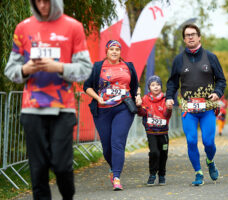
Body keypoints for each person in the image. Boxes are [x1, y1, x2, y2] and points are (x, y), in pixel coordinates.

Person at [4, 0, 92, 199]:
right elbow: (10, 70)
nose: (42, 5)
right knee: (38, 170)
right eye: (38, 1)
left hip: (63, 108)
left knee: (62, 166)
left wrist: (59, 68)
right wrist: (25, 70)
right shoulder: (23, 28)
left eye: (46, 0)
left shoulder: (73, 27)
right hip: (31, 109)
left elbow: (85, 69)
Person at [166, 24, 226, 186]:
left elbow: (221, 80)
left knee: (208, 142)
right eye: (187, 35)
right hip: (188, 109)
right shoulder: (179, 60)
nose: (190, 37)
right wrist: (169, 97)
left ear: (199, 37)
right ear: (184, 39)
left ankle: (210, 160)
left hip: (207, 108)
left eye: (193, 34)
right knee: (191, 141)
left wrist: (217, 93)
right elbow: (172, 82)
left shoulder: (211, 57)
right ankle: (198, 172)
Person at [83, 40, 138, 191]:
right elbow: (86, 86)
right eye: (111, 49)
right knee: (107, 147)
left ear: (120, 52)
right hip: (102, 110)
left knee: (117, 142)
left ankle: (117, 177)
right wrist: (97, 98)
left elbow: (135, 87)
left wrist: (138, 96)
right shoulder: (97, 67)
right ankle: (113, 168)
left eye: (117, 49)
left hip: (123, 108)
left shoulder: (128, 66)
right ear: (106, 51)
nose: (114, 52)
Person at [135, 75, 172, 186]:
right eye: (153, 85)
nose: (155, 87)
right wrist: (139, 106)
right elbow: (142, 113)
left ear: (161, 86)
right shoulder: (146, 99)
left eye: (158, 85)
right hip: (151, 131)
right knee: (154, 152)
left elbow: (166, 114)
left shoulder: (166, 99)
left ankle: (162, 175)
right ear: (149, 87)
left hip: (163, 132)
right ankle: (152, 174)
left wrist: (169, 109)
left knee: (164, 153)